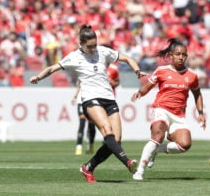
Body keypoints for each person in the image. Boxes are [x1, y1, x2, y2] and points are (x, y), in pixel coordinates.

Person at [30, 25, 147, 183]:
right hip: (90, 99)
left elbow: (127, 58)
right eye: (89, 46)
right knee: (107, 131)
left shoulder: (103, 51)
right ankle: (127, 162)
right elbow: (52, 68)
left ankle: (88, 167)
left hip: (109, 98)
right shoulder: (74, 57)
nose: (93, 49)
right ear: (81, 43)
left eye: (95, 45)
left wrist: (137, 71)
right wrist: (38, 77)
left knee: (116, 141)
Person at [130, 38, 206, 180]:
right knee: (157, 137)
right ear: (171, 56)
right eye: (178, 54)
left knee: (185, 145)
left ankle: (156, 150)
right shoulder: (161, 71)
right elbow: (148, 86)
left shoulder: (192, 76)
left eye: (184, 55)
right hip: (161, 109)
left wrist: (200, 113)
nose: (181, 57)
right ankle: (139, 170)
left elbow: (197, 94)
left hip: (178, 115)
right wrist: (140, 92)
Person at [71, 82, 96, 156]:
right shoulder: (81, 73)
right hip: (81, 102)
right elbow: (79, 86)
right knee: (82, 124)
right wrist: (75, 97)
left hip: (91, 100)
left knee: (91, 125)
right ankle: (79, 147)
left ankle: (91, 145)